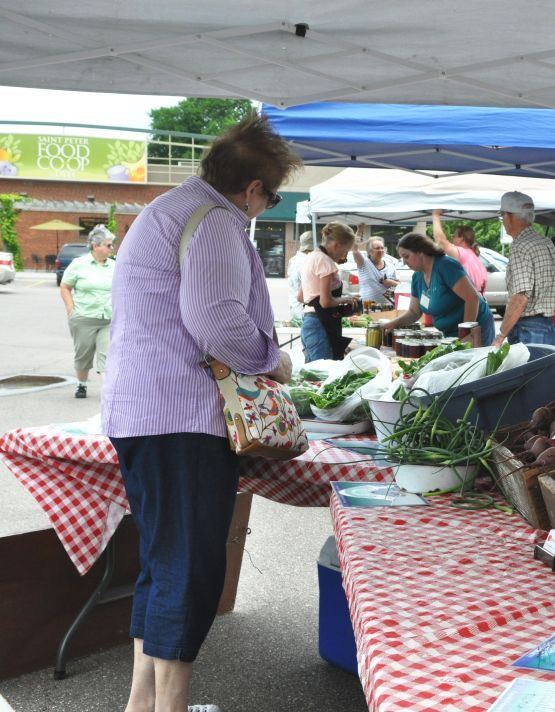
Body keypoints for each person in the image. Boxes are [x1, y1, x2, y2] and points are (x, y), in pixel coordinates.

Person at [100, 114, 301, 712]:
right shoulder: (216, 221)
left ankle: (144, 704)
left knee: (164, 563)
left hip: (145, 410)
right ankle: (171, 707)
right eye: (273, 196)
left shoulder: (169, 208)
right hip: (180, 417)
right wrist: (273, 360)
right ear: (254, 190)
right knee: (189, 570)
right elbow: (215, 322)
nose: (267, 206)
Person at [493, 191, 555, 347]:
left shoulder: (520, 247)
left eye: (502, 216)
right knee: (541, 371)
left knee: (527, 372)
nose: (503, 221)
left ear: (511, 217)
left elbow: (520, 297)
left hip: (526, 329)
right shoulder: (545, 242)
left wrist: (500, 336)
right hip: (546, 326)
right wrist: (549, 296)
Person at [381, 232, 495, 346]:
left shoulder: (446, 266)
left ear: (421, 252)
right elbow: (414, 312)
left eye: (406, 256)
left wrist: (466, 332)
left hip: (476, 330)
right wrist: (393, 323)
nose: (404, 262)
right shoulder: (417, 277)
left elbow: (472, 298)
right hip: (450, 333)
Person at [59, 224, 116, 398]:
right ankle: (82, 384)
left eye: (111, 245)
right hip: (83, 317)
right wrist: (71, 311)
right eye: (108, 245)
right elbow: (65, 286)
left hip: (107, 318)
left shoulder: (115, 266)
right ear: (95, 246)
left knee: (105, 356)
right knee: (83, 355)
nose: (111, 248)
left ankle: (107, 392)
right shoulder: (79, 264)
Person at [299, 221, 360, 361]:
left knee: (313, 375)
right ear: (336, 245)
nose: (344, 256)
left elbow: (302, 297)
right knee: (324, 375)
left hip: (308, 323)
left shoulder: (311, 258)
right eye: (345, 251)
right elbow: (325, 302)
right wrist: (345, 299)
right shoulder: (326, 262)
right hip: (320, 325)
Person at [432, 209, 487, 294]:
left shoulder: (463, 254)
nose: (452, 238)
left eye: (454, 236)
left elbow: (441, 241)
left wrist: (435, 215)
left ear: (461, 239)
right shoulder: (474, 256)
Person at [351, 236, 399, 306]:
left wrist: (391, 282)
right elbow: (354, 249)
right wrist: (359, 230)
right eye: (377, 248)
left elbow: (399, 285)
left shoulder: (390, 266)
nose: (380, 250)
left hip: (386, 306)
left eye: (382, 248)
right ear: (369, 251)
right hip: (367, 306)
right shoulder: (363, 263)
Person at [286, 230, 314, 324]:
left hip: (294, 308)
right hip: (305, 312)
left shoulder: (293, 260)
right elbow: (308, 291)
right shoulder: (307, 262)